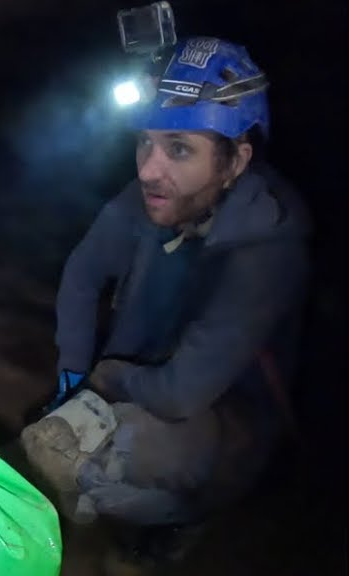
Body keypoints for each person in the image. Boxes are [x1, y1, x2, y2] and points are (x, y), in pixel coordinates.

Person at [27, 36, 311, 571]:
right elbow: (84, 275)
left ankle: (186, 516)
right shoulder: (156, 198)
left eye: (179, 149)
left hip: (224, 416)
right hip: (147, 375)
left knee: (100, 459)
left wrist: (105, 379)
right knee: (57, 440)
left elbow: (182, 394)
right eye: (145, 143)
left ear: (235, 161)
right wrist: (72, 375)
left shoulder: (267, 248)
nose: (148, 169)